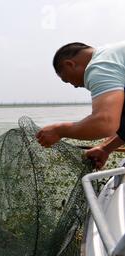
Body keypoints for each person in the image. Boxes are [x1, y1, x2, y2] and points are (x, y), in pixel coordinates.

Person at [36, 41, 125, 169]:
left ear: (70, 64)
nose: (75, 86)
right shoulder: (113, 56)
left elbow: (104, 123)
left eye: (67, 80)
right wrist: (105, 148)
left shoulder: (99, 66)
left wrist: (59, 130)